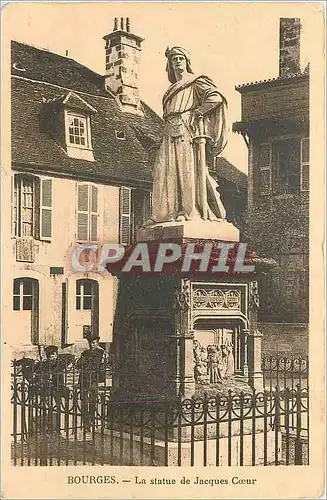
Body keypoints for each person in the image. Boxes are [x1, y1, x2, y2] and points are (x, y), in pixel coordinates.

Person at [144, 46, 228, 226]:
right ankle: (163, 213)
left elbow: (216, 97)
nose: (177, 61)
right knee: (163, 171)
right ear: (169, 63)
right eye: (174, 59)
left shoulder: (195, 81)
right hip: (168, 130)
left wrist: (199, 112)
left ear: (187, 61)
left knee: (186, 170)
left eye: (181, 58)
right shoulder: (171, 89)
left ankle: (187, 211)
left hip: (186, 128)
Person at [76, 333, 108, 431]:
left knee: (93, 402)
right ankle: (86, 425)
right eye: (90, 343)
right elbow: (78, 364)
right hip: (85, 380)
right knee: (84, 402)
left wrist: (101, 381)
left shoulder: (101, 353)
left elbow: (102, 368)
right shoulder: (85, 353)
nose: (91, 345)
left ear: (97, 343)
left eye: (93, 343)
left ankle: (92, 422)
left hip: (94, 380)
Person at [33, 345, 67, 434]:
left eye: (53, 355)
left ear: (56, 355)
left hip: (57, 388)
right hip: (47, 388)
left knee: (58, 407)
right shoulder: (44, 364)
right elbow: (37, 371)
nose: (51, 358)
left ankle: (57, 428)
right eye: (49, 356)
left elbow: (61, 377)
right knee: (47, 407)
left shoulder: (60, 364)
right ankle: (48, 427)